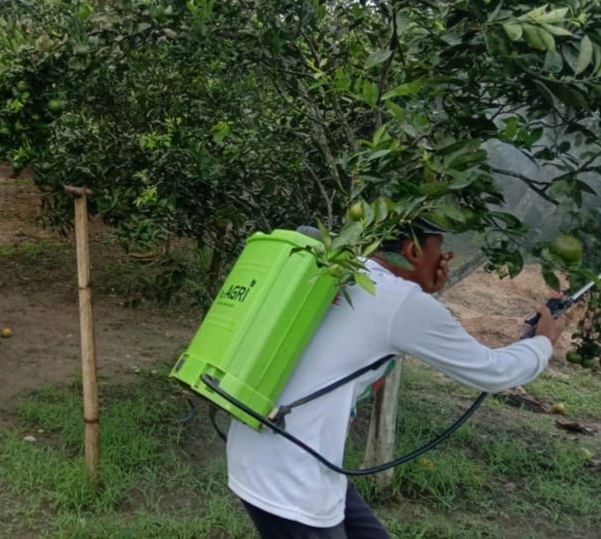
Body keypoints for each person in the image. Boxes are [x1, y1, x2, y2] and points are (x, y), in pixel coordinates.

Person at [226, 222, 569, 538]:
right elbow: (493, 372)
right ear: (413, 252)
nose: (446, 259)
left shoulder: (350, 273)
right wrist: (543, 341)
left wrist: (421, 291)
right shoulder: (399, 301)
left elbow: (379, 324)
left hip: (267, 449)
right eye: (440, 250)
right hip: (290, 479)